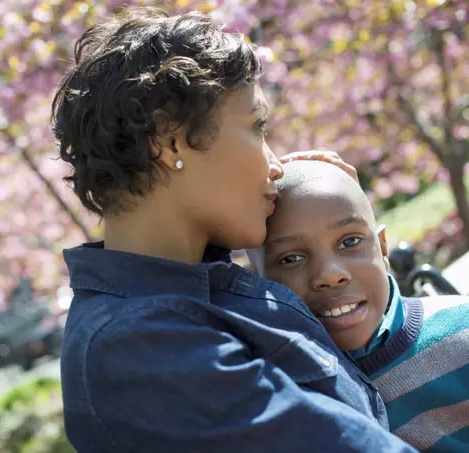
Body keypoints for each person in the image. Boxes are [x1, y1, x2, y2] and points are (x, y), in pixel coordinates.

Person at [52, 8, 418, 453]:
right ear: (171, 142)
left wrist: (311, 203)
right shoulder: (136, 350)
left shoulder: (198, 290)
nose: (277, 163)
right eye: (257, 127)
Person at [247, 160, 469, 452]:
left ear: (383, 247)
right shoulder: (283, 393)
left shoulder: (461, 332)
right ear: (258, 283)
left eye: (349, 241)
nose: (329, 274)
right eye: (291, 259)